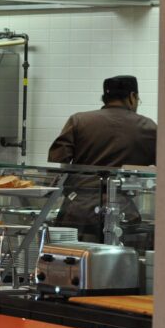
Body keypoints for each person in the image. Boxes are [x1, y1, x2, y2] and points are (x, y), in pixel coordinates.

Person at [47, 75, 157, 241]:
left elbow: (57, 161)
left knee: (73, 261)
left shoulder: (79, 121)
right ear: (132, 97)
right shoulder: (148, 127)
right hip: (123, 210)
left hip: (78, 210)